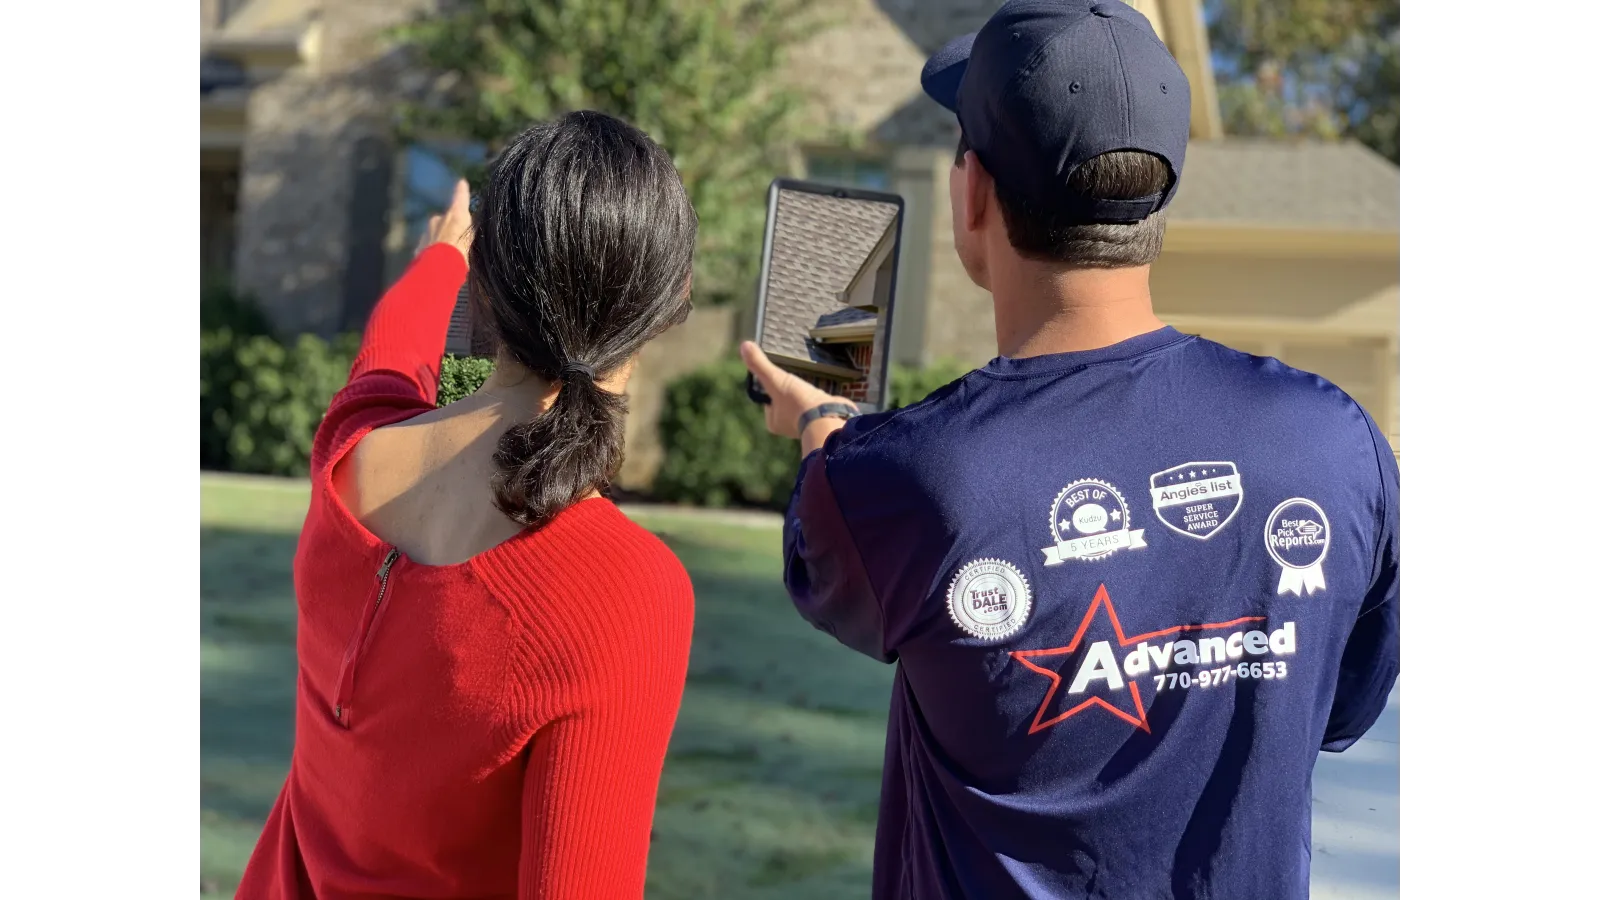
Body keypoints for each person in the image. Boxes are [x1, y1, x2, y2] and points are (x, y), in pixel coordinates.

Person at [739, 2, 1399, 898]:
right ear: (1159, 194)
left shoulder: (895, 481)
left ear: (970, 194)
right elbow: (1338, 708)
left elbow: (831, 553)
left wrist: (821, 419)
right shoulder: (1338, 442)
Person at [237, 110, 699, 899]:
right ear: (671, 302)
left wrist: (439, 261)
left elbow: (392, 351)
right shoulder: (626, 592)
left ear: (487, 283)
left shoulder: (351, 453)